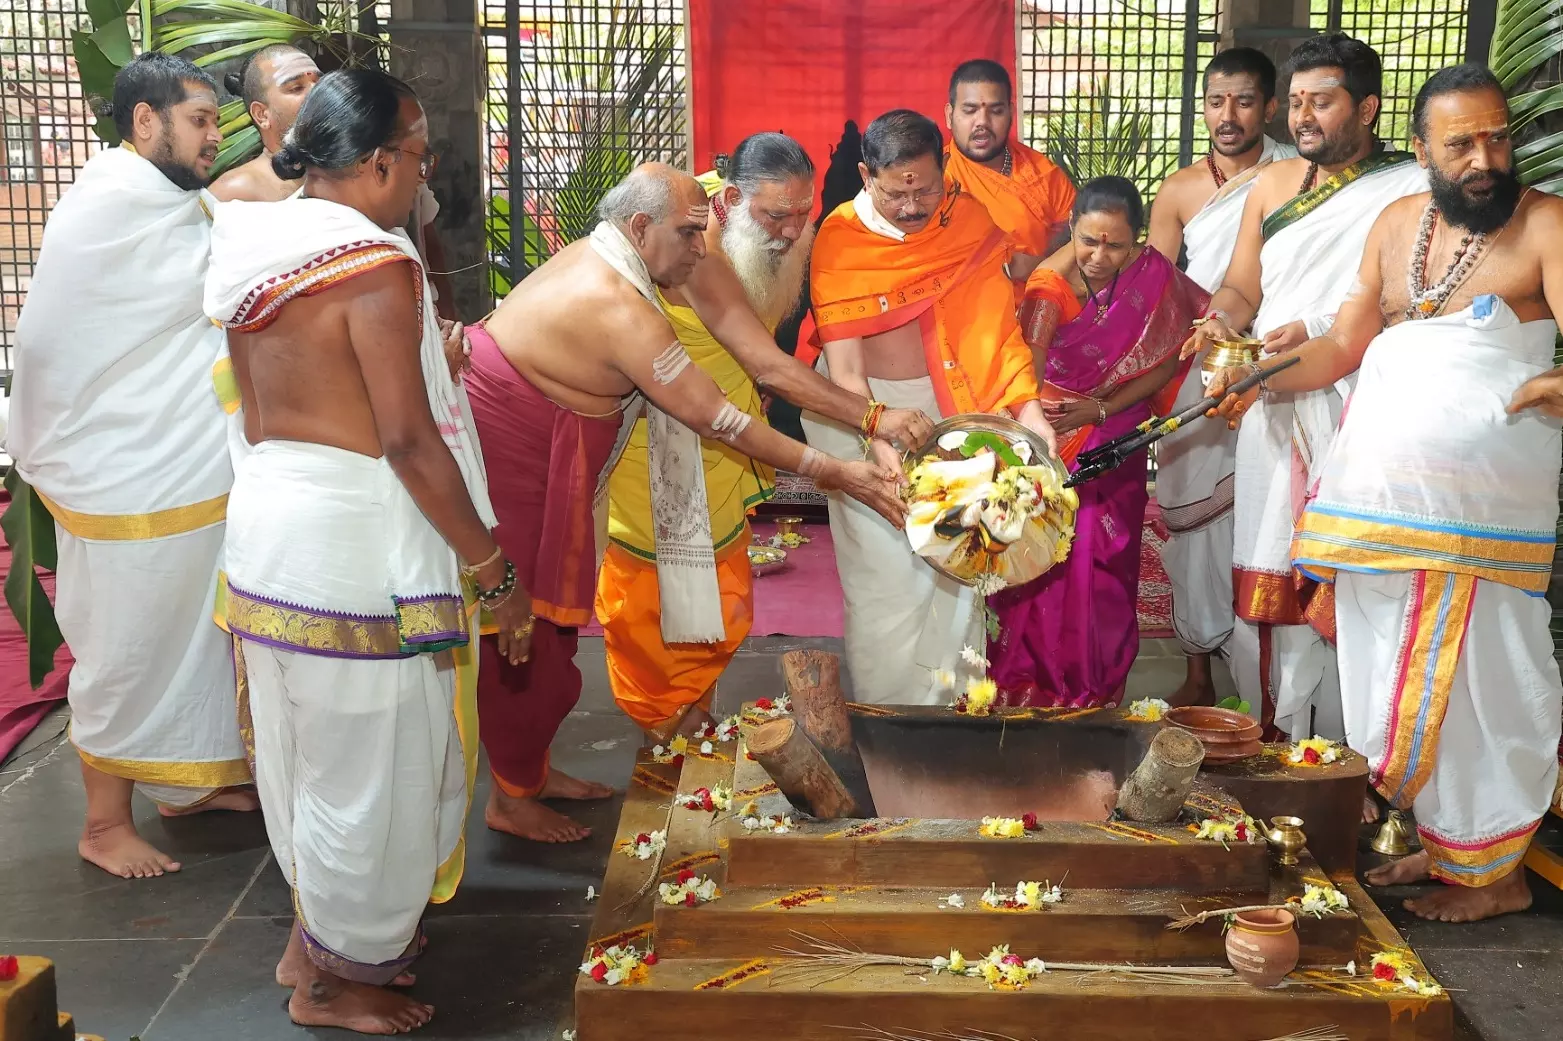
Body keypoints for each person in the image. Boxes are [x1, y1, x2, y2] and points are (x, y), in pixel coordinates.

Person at [463, 162, 917, 842]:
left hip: (554, 456)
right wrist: (836, 471)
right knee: (525, 640)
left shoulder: (617, 257)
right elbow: (720, 419)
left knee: (551, 648)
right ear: (641, 227)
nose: (703, 252)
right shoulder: (619, 303)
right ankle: (511, 796)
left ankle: (526, 774)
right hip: (520, 462)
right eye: (689, 235)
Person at [1210, 65, 1563, 923]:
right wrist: (1259, 372)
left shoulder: (1545, 223)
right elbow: (1341, 346)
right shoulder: (1396, 222)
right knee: (1379, 680)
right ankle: (1450, 848)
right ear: (1419, 151)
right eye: (1461, 143)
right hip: (1374, 498)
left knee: (1484, 685)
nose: (1485, 158)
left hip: (1474, 513)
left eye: (1496, 137)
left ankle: (1499, 874)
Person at [204, 69, 514, 1032]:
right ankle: (336, 984)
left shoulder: (252, 242)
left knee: (307, 759)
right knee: (371, 768)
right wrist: (489, 567)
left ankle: (317, 943)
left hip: (269, 529)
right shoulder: (373, 266)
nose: (422, 176)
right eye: (418, 157)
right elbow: (410, 442)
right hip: (354, 554)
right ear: (378, 160)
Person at [6, 53, 254, 880]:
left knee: (192, 633)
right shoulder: (114, 202)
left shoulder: (160, 200)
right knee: (129, 644)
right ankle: (104, 823)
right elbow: (208, 289)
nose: (213, 137)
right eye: (200, 121)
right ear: (144, 121)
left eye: (217, 121)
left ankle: (185, 785)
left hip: (172, 460)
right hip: (124, 472)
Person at [1181, 33, 1428, 741]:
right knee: (1271, 576)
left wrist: (1315, 324)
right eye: (1294, 104)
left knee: (1348, 583)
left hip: (1356, 402)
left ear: (1368, 107)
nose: (1302, 118)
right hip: (1268, 399)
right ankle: (1280, 736)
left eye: (1321, 102)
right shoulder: (1270, 184)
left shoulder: (1407, 187)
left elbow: (1400, 300)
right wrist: (1219, 321)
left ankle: (1352, 749)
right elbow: (1240, 285)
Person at [801, 109, 1057, 706]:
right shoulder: (840, 239)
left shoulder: (967, 220)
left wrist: (1027, 407)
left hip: (953, 410)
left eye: (925, 190)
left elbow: (995, 330)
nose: (914, 208)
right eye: (895, 195)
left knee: (958, 562)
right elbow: (845, 372)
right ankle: (889, 718)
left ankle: (952, 711)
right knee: (886, 575)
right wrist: (878, 442)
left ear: (945, 166)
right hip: (859, 411)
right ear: (866, 176)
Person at [598, 133, 819, 753]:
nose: (789, 229)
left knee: (719, 598)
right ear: (729, 199)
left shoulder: (763, 227)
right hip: (659, 444)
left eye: (803, 212)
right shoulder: (689, 239)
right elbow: (766, 361)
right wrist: (870, 419)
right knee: (651, 601)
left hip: (724, 437)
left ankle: (690, 715)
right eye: (775, 215)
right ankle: (664, 726)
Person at [990, 178, 1207, 707]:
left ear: (1137, 242)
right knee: (1052, 556)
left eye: (1115, 245)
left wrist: (1105, 408)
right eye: (1089, 241)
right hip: (1056, 433)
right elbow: (1030, 376)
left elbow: (1170, 356)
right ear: (1072, 230)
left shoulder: (1151, 276)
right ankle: (1037, 684)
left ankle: (1100, 685)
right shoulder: (1048, 288)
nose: (1099, 256)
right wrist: (1041, 436)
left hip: (1118, 432)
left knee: (1110, 561)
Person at [1146, 47, 1294, 706]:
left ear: (1268, 107)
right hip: (1196, 366)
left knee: (1265, 514)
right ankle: (1199, 668)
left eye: (1242, 101)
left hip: (1276, 360)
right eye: (1214, 101)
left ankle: (1268, 670)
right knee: (1192, 521)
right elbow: (1148, 290)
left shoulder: (1297, 175)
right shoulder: (1178, 191)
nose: (1226, 116)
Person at [209, 44, 458, 318]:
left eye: (319, 81)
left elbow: (429, 246)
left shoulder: (381, 165)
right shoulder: (234, 194)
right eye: (295, 88)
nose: (314, 92)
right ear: (262, 114)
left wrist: (442, 316)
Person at [943, 58, 1076, 281]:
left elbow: (1077, 229)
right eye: (969, 110)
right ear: (949, 115)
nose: (982, 122)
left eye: (995, 111)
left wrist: (1037, 261)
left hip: (1040, 305)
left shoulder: (1043, 174)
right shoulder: (934, 177)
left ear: (1011, 113)